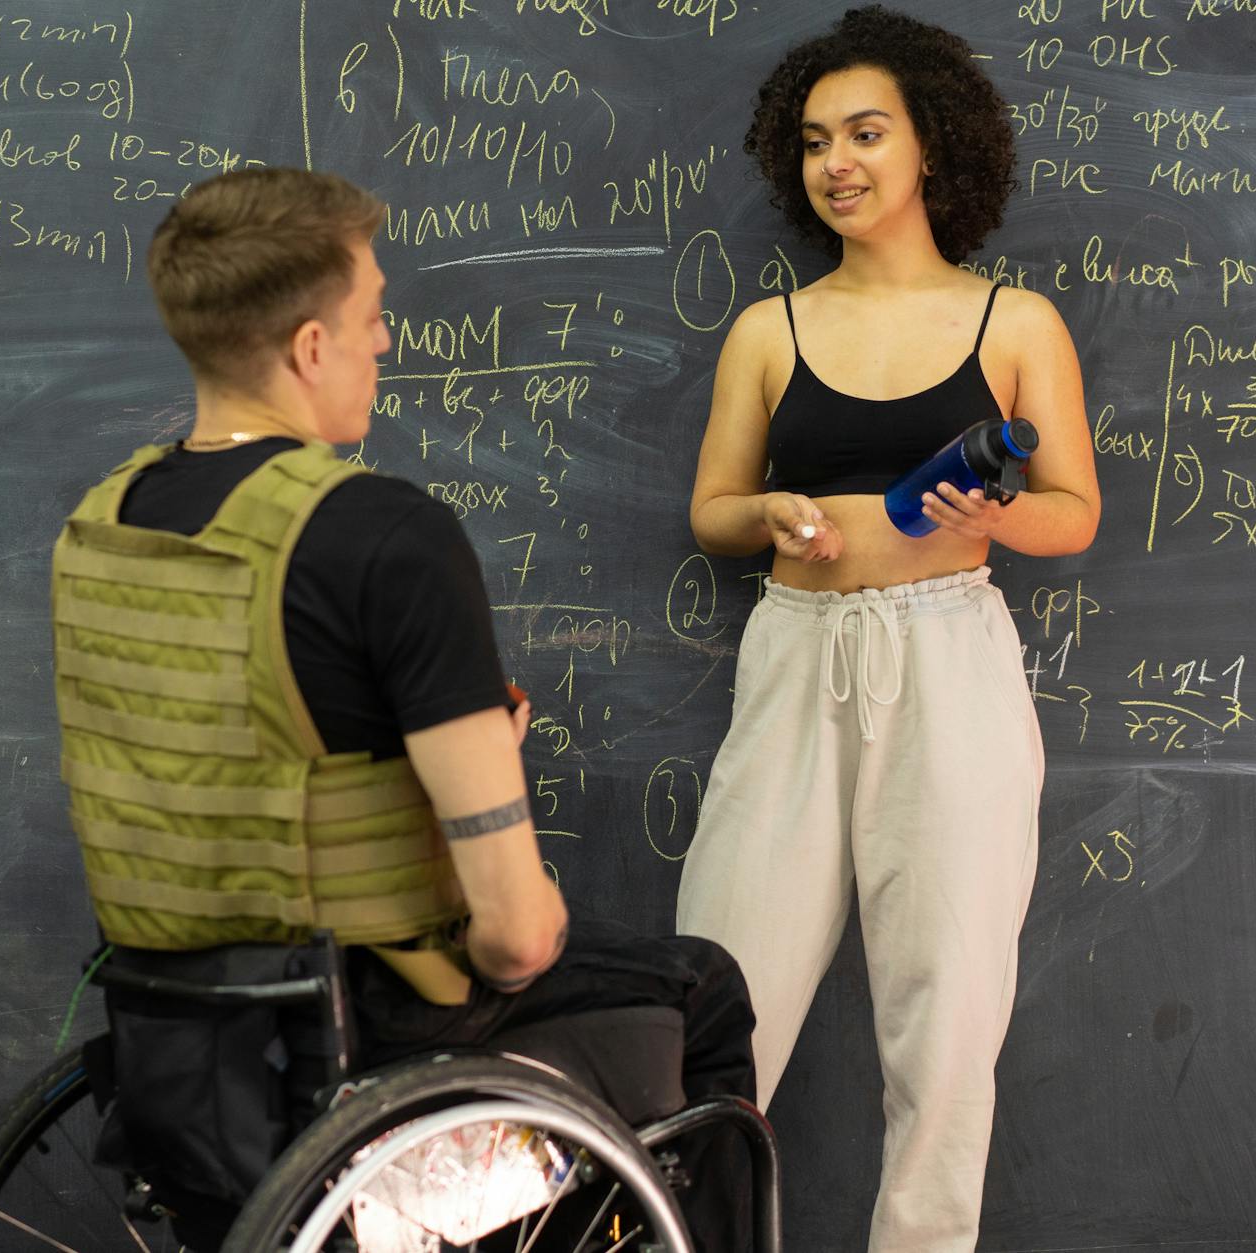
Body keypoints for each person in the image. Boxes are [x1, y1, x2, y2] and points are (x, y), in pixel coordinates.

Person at [49, 166, 756, 1249]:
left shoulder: (99, 526)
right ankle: (428, 1217)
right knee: (698, 986)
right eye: (372, 315)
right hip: (362, 1028)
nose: (386, 341)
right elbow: (517, 940)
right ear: (309, 347)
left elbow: (247, 751)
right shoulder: (383, 534)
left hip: (173, 1031)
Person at [674, 7, 1100, 1251]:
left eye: (865, 133)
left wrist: (993, 514)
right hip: (798, 654)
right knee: (716, 993)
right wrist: (763, 511)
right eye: (814, 142)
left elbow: (1071, 510)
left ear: (932, 149)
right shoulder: (769, 329)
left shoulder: (1011, 323)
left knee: (948, 1013)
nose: (836, 164)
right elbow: (709, 510)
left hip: (947, 660)